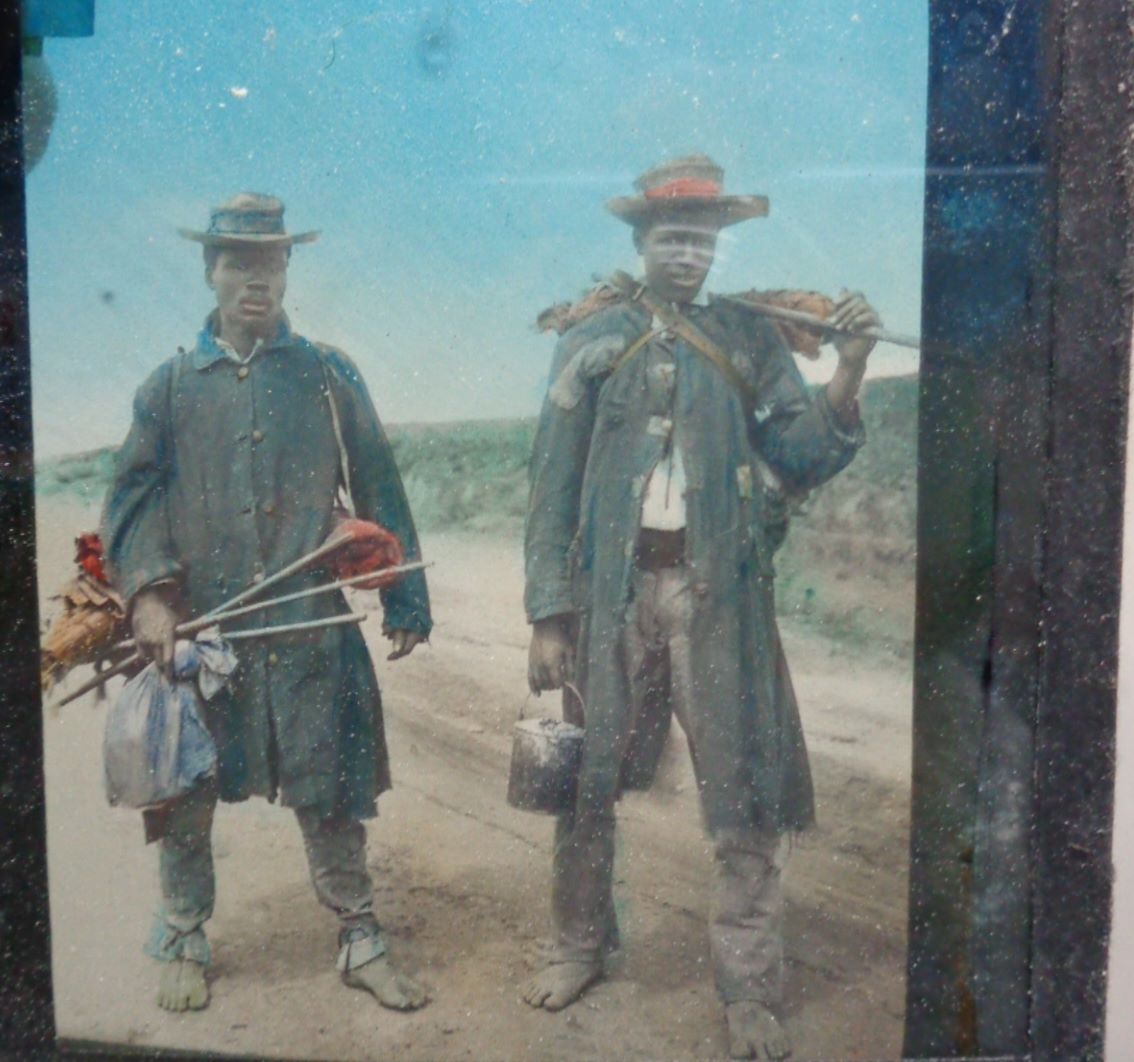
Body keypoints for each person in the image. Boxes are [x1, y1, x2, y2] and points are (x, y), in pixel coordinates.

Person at [521, 156, 881, 1060]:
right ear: (641, 242)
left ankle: (750, 994)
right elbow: (551, 484)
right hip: (610, 599)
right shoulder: (593, 339)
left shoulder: (752, 340)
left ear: (718, 247)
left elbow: (801, 454)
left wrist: (850, 368)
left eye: (703, 239)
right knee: (585, 785)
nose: (688, 253)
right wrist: (547, 615)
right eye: (672, 236)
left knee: (747, 801)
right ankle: (579, 949)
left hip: (721, 599)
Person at [101, 193, 433, 1015]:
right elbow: (132, 505)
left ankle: (359, 936)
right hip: (206, 633)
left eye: (272, 261)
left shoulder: (326, 374)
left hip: (307, 629)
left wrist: (405, 597)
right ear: (210, 271)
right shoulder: (171, 387)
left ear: (288, 270)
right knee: (185, 788)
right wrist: (148, 597)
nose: (256, 278)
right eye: (238, 262)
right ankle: (183, 932)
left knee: (329, 785)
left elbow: (379, 485)